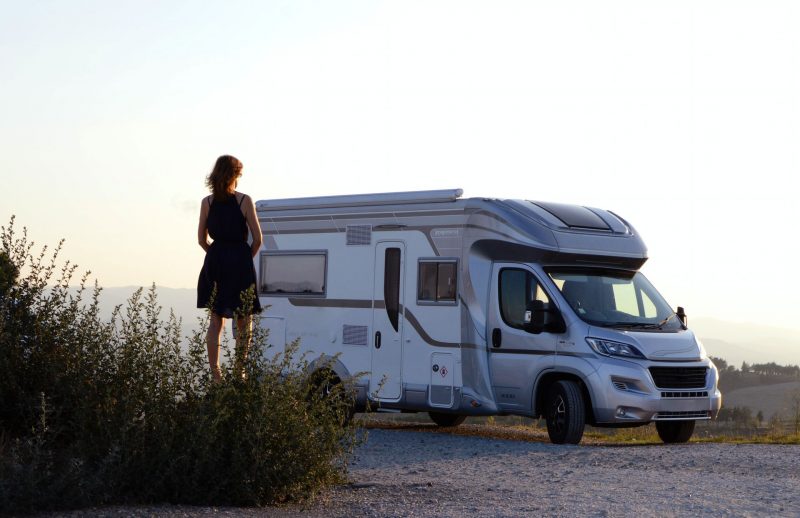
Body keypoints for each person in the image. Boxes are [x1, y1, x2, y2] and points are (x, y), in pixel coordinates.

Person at [197, 155, 262, 381]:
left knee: (216, 320)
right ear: (234, 174)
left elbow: (201, 240)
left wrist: (217, 256)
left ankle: (216, 373)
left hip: (215, 261)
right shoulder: (245, 201)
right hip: (240, 261)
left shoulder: (207, 202)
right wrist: (242, 258)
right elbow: (258, 239)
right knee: (244, 320)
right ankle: (239, 370)